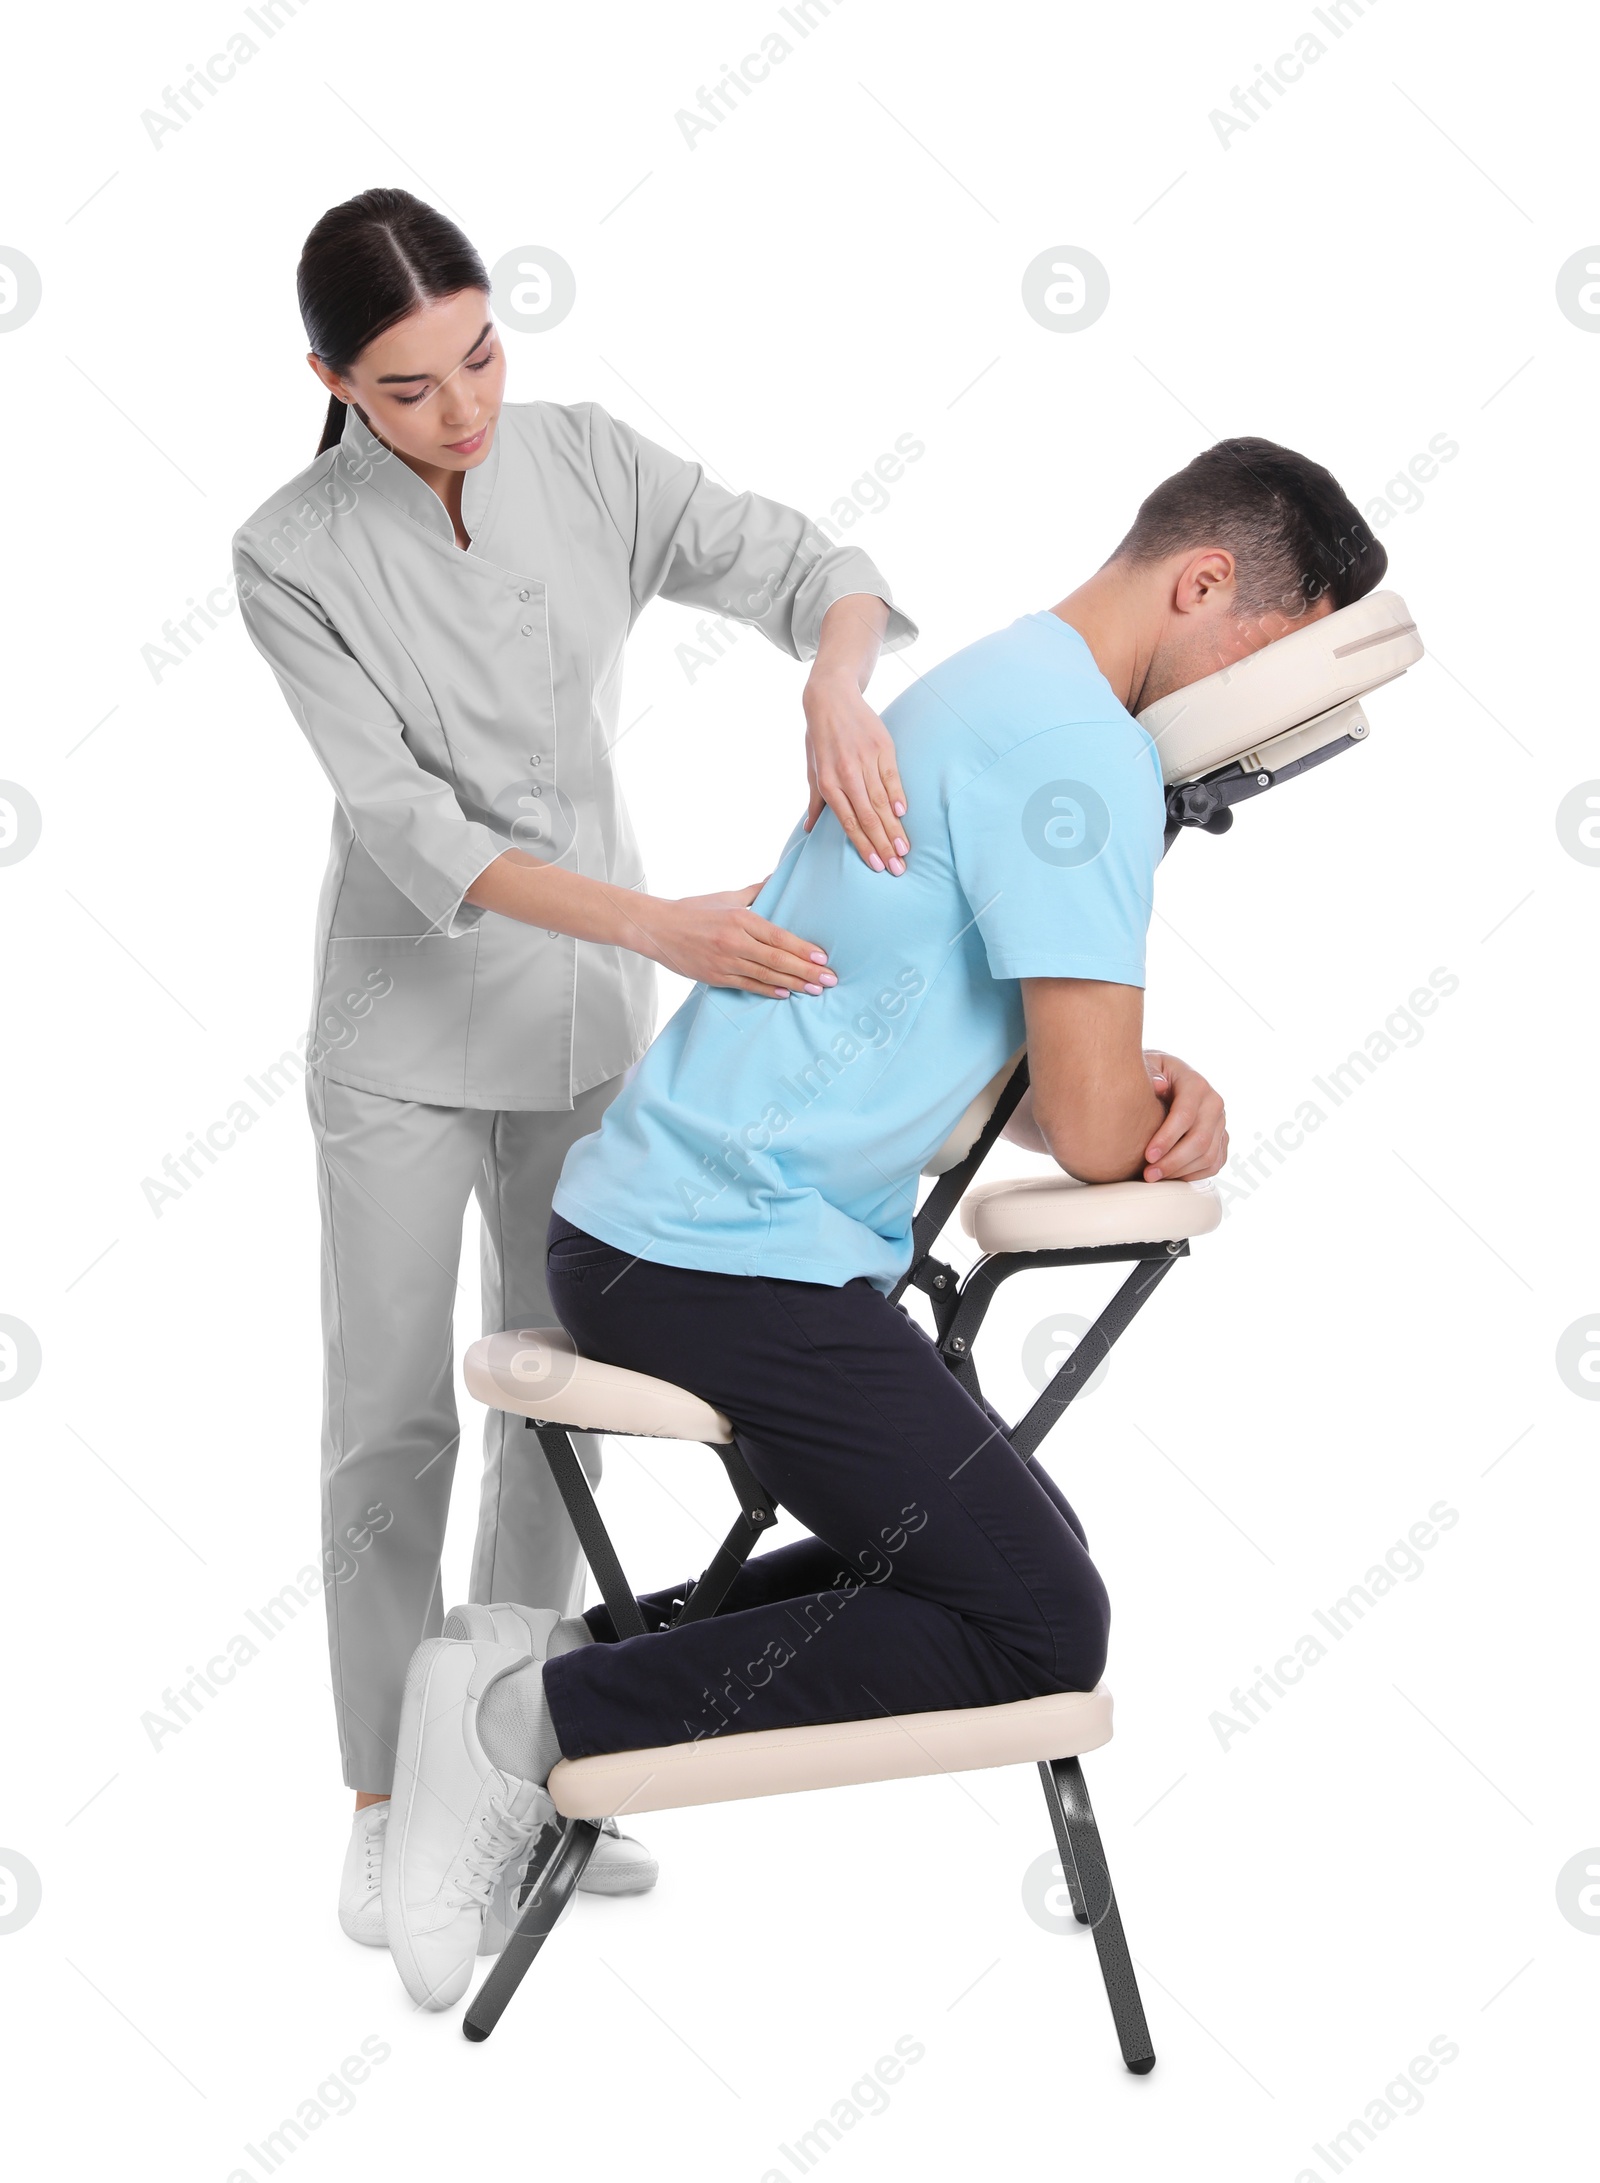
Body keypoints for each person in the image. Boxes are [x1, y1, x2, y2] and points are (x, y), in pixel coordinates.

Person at [380, 435, 1388, 2011]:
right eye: (1281, 652)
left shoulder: (1010, 688)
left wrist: (1125, 1083)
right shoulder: (1086, 759)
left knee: (1019, 1565)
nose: (1269, 712)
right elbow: (1101, 1117)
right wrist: (1149, 1096)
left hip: (696, 1231)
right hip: (717, 1255)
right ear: (1208, 586)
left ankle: (538, 1663)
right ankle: (522, 1735)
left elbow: (1011, 1059)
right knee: (1040, 1620)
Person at [230, 188, 918, 1944]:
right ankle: (391, 1797)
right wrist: (658, 929)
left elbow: (812, 568)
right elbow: (415, 828)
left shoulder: (586, 461)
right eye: (405, 387)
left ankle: (516, 1760)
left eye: (479, 354)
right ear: (328, 380)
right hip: (405, 1028)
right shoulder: (288, 553)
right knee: (389, 1418)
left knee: (555, 1407)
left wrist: (834, 686)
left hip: (585, 1036)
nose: (462, 406)